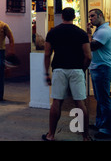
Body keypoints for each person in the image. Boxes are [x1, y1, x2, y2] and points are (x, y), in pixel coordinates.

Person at [43, 7, 92, 141]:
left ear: (62, 17)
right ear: (74, 17)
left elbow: (47, 54)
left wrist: (46, 73)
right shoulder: (81, 33)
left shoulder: (53, 32)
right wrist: (82, 69)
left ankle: (51, 135)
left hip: (59, 69)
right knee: (80, 103)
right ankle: (85, 137)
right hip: (76, 69)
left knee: (57, 102)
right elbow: (88, 56)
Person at [87, 8, 111, 139]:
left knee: (104, 100)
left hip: (103, 68)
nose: (90, 19)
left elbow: (92, 46)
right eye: (89, 17)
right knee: (99, 99)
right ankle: (100, 123)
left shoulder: (104, 31)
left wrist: (88, 34)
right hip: (98, 68)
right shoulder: (99, 31)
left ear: (100, 16)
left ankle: (106, 129)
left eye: (92, 16)